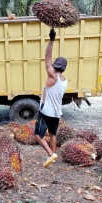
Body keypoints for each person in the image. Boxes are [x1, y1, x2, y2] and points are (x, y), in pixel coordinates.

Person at [34, 28, 68, 168]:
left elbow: (47, 57)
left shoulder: (52, 76)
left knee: (37, 135)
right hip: (56, 113)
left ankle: (50, 154)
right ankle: (52, 158)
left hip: (46, 111)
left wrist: (52, 40)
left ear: (55, 66)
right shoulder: (65, 80)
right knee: (52, 134)